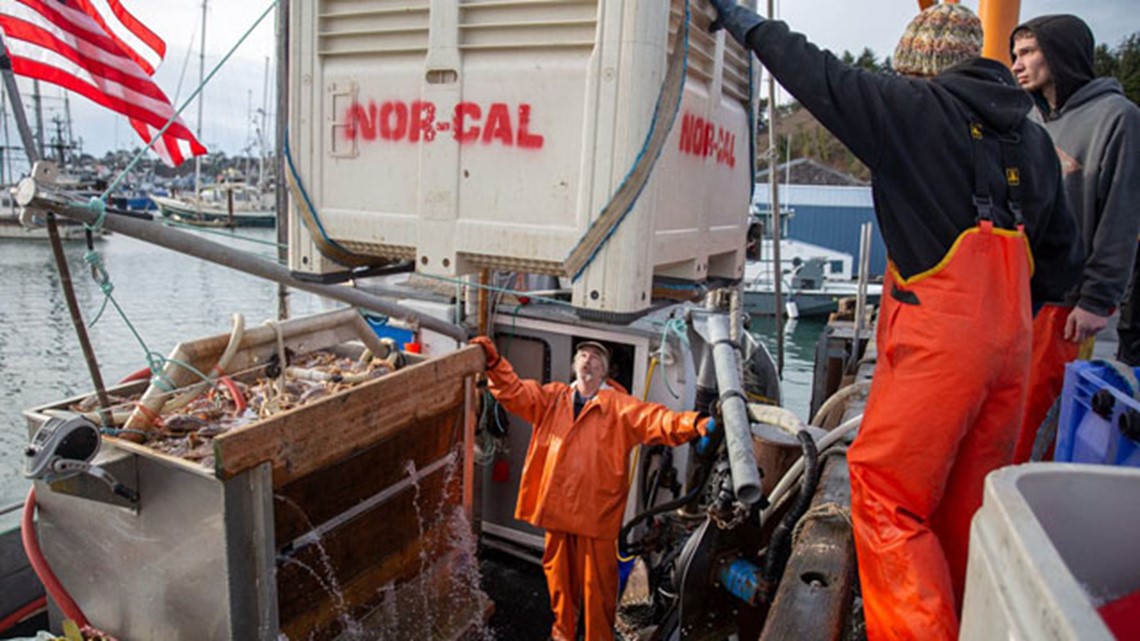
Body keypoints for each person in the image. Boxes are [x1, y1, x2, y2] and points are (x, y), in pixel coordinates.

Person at [708, 1, 1083, 639]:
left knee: (886, 493)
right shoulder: (1035, 139)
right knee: (967, 506)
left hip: (943, 346)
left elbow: (814, 70)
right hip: (1014, 349)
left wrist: (739, 18)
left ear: (920, 68)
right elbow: (1060, 263)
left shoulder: (910, 110)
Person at [469, 335, 712, 641]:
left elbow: (659, 419)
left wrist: (695, 423)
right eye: (583, 354)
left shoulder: (621, 407)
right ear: (574, 365)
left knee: (598, 590)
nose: (588, 359)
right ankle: (562, 635)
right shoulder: (551, 398)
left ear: (605, 372)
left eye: (596, 357)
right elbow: (514, 391)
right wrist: (494, 364)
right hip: (556, 512)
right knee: (559, 584)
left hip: (595, 518)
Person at [1009, 15, 1140, 461]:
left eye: (1027, 53)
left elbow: (1122, 216)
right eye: (1015, 54)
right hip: (1017, 295)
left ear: (1060, 54)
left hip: (1067, 304)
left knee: (1041, 415)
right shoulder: (1026, 118)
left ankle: (1024, 506)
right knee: (1004, 412)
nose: (1016, 65)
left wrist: (1097, 299)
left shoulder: (1118, 119)